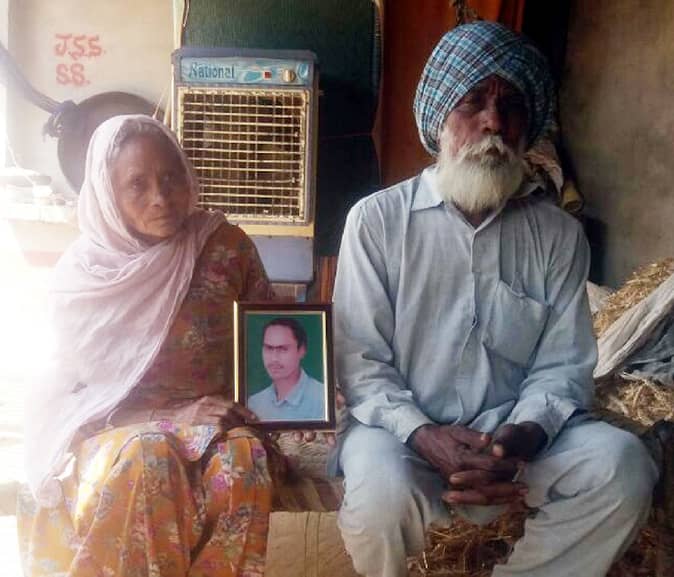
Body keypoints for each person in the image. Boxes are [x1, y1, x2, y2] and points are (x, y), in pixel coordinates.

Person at [332, 21, 659, 577]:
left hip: (516, 441)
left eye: (510, 107)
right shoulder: (377, 222)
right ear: (438, 119)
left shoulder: (558, 235)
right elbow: (360, 363)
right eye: (472, 103)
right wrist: (425, 435)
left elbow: (562, 365)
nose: (494, 122)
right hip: (402, 433)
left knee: (622, 467)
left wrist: (519, 440)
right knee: (381, 499)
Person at [18, 115, 282, 577]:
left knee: (244, 460)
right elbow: (69, 402)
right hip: (119, 429)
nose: (161, 197)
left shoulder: (224, 247)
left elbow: (270, 335)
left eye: (171, 177)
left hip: (216, 423)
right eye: (137, 185)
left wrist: (303, 402)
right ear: (107, 192)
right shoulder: (83, 278)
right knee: (150, 456)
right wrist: (171, 417)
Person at [248, 317, 325, 421]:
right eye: (269, 348)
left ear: (302, 350)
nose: (274, 358)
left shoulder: (323, 399)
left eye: (283, 349)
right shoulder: (254, 403)